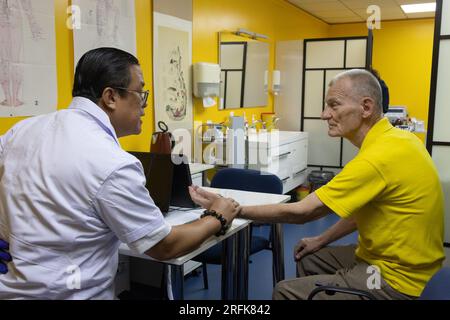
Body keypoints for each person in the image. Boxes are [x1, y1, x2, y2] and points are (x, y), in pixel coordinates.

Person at [0, 47, 239, 299]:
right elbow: (165, 246)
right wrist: (218, 216)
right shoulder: (112, 162)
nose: (145, 107)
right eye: (141, 94)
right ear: (111, 97)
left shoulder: (22, 130)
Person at [189, 69, 445, 300]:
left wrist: (232, 208)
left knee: (285, 291)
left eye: (334, 105)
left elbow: (304, 211)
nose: (325, 115)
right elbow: (363, 213)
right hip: (404, 260)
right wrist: (321, 239)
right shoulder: (400, 139)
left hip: (396, 277)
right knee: (309, 255)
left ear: (366, 108)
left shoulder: (377, 157)